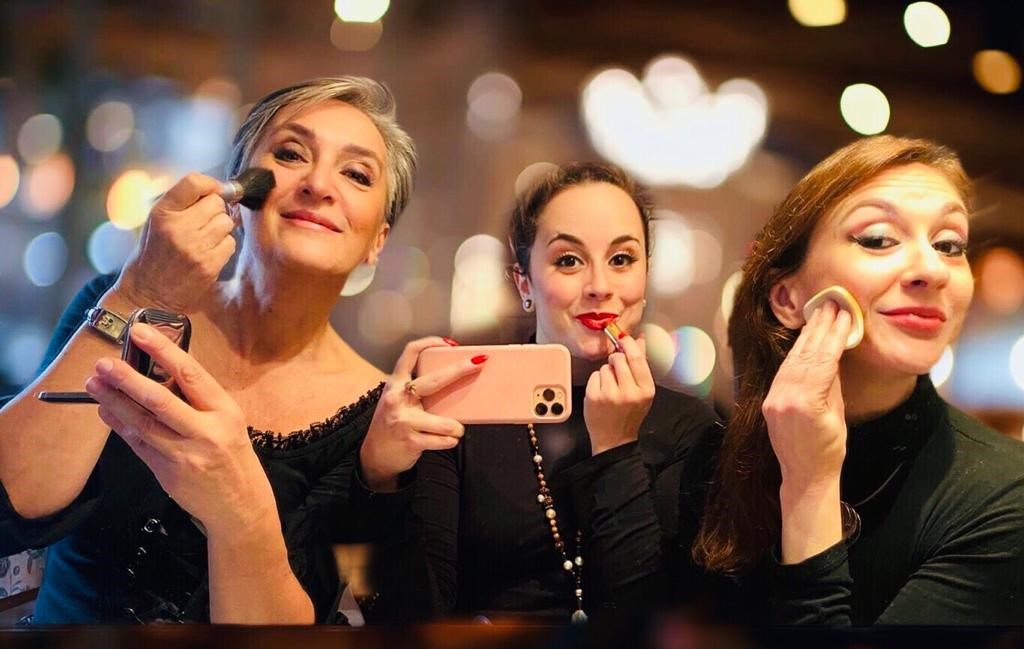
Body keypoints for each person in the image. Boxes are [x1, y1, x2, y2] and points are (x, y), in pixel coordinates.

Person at [0, 76, 467, 624]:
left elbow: (379, 614)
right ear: (236, 194)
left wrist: (237, 509)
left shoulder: (384, 422)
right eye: (290, 154)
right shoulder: (123, 305)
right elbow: (14, 502)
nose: (319, 184)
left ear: (378, 240)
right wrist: (137, 293)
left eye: (357, 174)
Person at [357, 162, 723, 622]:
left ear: (645, 275)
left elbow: (657, 624)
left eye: (621, 259)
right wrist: (380, 476)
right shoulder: (461, 409)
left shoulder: (692, 428)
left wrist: (616, 449)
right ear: (524, 282)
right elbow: (409, 617)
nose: (600, 286)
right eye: (568, 260)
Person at [693, 135, 1024, 624]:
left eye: (949, 245)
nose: (932, 269)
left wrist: (811, 487)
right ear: (787, 298)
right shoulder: (699, 463)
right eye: (878, 239)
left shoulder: (1006, 495)